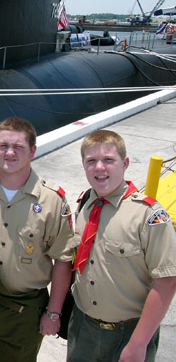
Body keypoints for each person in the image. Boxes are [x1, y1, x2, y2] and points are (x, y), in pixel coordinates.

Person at [0, 117, 74, 362]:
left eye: (18, 147)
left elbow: (63, 260)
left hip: (26, 314)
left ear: (32, 150)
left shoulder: (51, 200)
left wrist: (53, 313)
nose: (10, 153)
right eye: (3, 146)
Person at [67, 130, 176, 362]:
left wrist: (138, 344)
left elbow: (166, 281)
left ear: (124, 163)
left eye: (108, 160)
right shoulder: (85, 204)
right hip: (82, 328)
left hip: (128, 333)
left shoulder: (148, 216)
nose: (99, 167)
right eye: (91, 161)